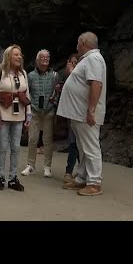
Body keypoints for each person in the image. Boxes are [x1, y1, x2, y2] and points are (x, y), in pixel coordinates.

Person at [57, 32, 107, 196]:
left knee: (91, 147)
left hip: (86, 114)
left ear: (83, 42)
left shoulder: (93, 59)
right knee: (82, 147)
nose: (77, 46)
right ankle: (82, 178)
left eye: (78, 43)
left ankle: (94, 183)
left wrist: (91, 110)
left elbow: (96, 84)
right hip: (79, 114)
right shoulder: (88, 60)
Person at [0, 44, 32, 191]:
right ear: (8, 57)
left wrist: (29, 114)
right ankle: (1, 177)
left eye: (20, 55)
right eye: (16, 55)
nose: (19, 57)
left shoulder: (23, 73)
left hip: (19, 115)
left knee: (16, 147)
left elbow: (26, 95)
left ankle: (13, 178)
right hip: (2, 115)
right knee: (3, 147)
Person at [21, 49, 59, 178]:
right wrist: (28, 109)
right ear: (37, 60)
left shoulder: (54, 75)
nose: (45, 59)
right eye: (42, 57)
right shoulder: (30, 76)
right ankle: (30, 165)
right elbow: (27, 93)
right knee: (33, 139)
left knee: (48, 140)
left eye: (47, 57)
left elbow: (57, 92)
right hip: (35, 110)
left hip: (49, 111)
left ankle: (47, 167)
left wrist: (54, 103)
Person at [61, 54, 80, 183]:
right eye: (71, 62)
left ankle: (82, 171)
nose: (73, 64)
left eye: (76, 62)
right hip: (70, 113)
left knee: (82, 145)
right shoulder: (65, 76)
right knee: (73, 143)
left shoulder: (81, 75)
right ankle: (69, 171)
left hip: (81, 114)